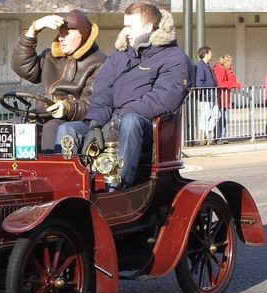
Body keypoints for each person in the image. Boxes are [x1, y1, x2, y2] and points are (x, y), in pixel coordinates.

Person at [54, 1, 193, 190]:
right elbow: (102, 93)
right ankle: (67, 189)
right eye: (124, 25)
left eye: (129, 26)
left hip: (148, 133)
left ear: (148, 27)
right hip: (110, 125)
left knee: (131, 121)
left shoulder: (175, 58)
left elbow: (163, 99)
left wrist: (117, 120)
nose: (125, 31)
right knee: (68, 130)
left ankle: (118, 189)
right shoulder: (119, 57)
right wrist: (95, 125)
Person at [11, 9, 107, 152]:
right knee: (15, 125)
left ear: (84, 35)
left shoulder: (100, 62)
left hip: (75, 121)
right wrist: (33, 30)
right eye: (60, 33)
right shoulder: (50, 56)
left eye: (67, 33)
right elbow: (22, 67)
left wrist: (68, 107)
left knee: (52, 127)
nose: (61, 38)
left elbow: (93, 104)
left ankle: (49, 173)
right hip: (43, 114)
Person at [212, 55, 241, 144]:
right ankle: (220, 137)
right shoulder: (219, 69)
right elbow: (221, 83)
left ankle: (222, 136)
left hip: (225, 97)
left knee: (224, 117)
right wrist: (234, 84)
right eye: (230, 63)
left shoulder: (226, 70)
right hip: (221, 97)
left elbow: (231, 80)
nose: (231, 64)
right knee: (221, 117)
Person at [195, 46, 219, 145]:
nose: (211, 55)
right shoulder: (201, 65)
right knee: (205, 116)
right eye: (210, 53)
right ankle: (203, 135)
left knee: (216, 114)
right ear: (205, 53)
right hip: (206, 96)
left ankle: (208, 133)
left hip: (211, 95)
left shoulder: (207, 65)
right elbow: (199, 82)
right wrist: (207, 89)